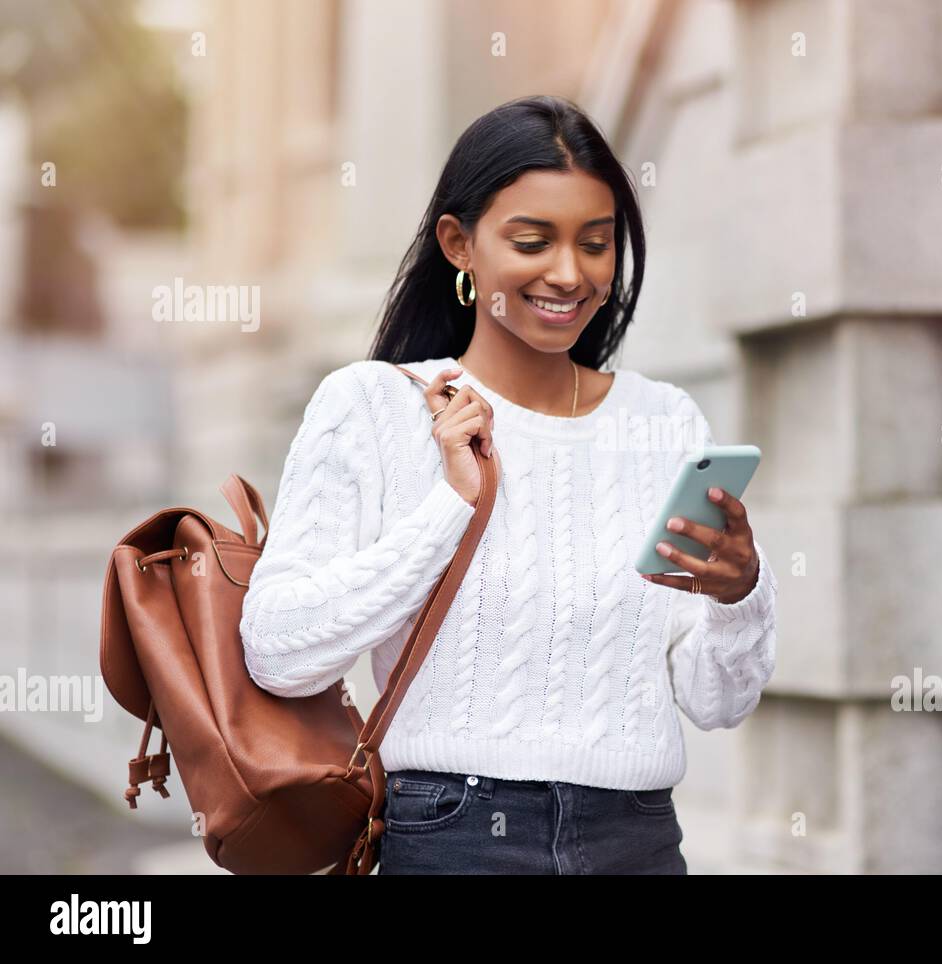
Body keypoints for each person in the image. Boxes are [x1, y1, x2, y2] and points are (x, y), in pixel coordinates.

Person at [239, 95, 778, 874]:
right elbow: (279, 652)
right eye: (533, 241)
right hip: (452, 836)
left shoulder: (665, 423)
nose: (570, 273)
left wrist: (739, 594)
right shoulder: (374, 406)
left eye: (597, 244)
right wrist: (452, 506)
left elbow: (718, 703)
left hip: (637, 842)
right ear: (460, 244)